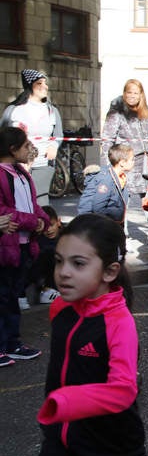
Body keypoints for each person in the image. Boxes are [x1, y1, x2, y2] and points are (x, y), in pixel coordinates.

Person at [26, 214, 148, 456]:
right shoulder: (60, 308)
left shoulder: (119, 323)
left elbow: (123, 391)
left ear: (109, 272)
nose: (63, 272)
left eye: (78, 264)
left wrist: (65, 400)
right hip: (64, 438)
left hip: (114, 447)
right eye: (59, 261)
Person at [0, 127, 50, 366]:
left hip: (23, 245)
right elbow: (4, 212)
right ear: (12, 149)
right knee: (3, 296)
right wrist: (33, 221)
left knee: (12, 296)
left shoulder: (22, 173)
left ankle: (13, 343)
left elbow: (32, 204)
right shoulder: (2, 174)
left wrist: (43, 220)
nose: (29, 148)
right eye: (25, 145)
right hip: (5, 247)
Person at [0, 69, 63, 205]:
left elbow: (58, 135)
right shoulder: (13, 110)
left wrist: (54, 145)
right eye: (39, 83)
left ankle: (42, 225)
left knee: (40, 201)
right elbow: (3, 135)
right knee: (17, 200)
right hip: (16, 164)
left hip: (43, 164)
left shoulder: (52, 111)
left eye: (46, 83)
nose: (45, 87)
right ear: (30, 85)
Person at [100, 79, 148, 197]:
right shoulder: (116, 113)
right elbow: (107, 140)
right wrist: (109, 168)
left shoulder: (143, 112)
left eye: (135, 93)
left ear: (141, 95)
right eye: (129, 92)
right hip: (125, 166)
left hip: (144, 166)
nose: (132, 96)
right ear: (124, 93)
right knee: (123, 206)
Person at [78, 144, 133, 226]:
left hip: (108, 222)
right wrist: (116, 214)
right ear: (122, 163)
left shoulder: (120, 176)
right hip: (93, 224)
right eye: (132, 160)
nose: (133, 162)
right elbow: (98, 208)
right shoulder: (106, 180)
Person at [31, 205, 61, 304]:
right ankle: (48, 290)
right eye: (45, 227)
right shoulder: (39, 241)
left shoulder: (66, 236)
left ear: (58, 222)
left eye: (51, 225)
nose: (48, 230)